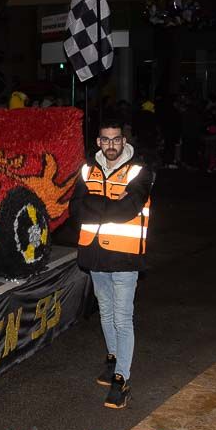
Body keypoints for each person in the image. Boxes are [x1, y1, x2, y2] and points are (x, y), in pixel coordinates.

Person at [72, 118, 155, 410]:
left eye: (116, 140)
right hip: (94, 255)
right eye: (105, 140)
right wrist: (109, 203)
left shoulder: (140, 172)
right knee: (105, 313)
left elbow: (128, 209)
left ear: (124, 140)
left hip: (124, 256)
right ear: (98, 141)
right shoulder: (86, 169)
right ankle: (112, 360)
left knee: (122, 318)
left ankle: (122, 379)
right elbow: (75, 208)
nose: (111, 145)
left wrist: (95, 202)